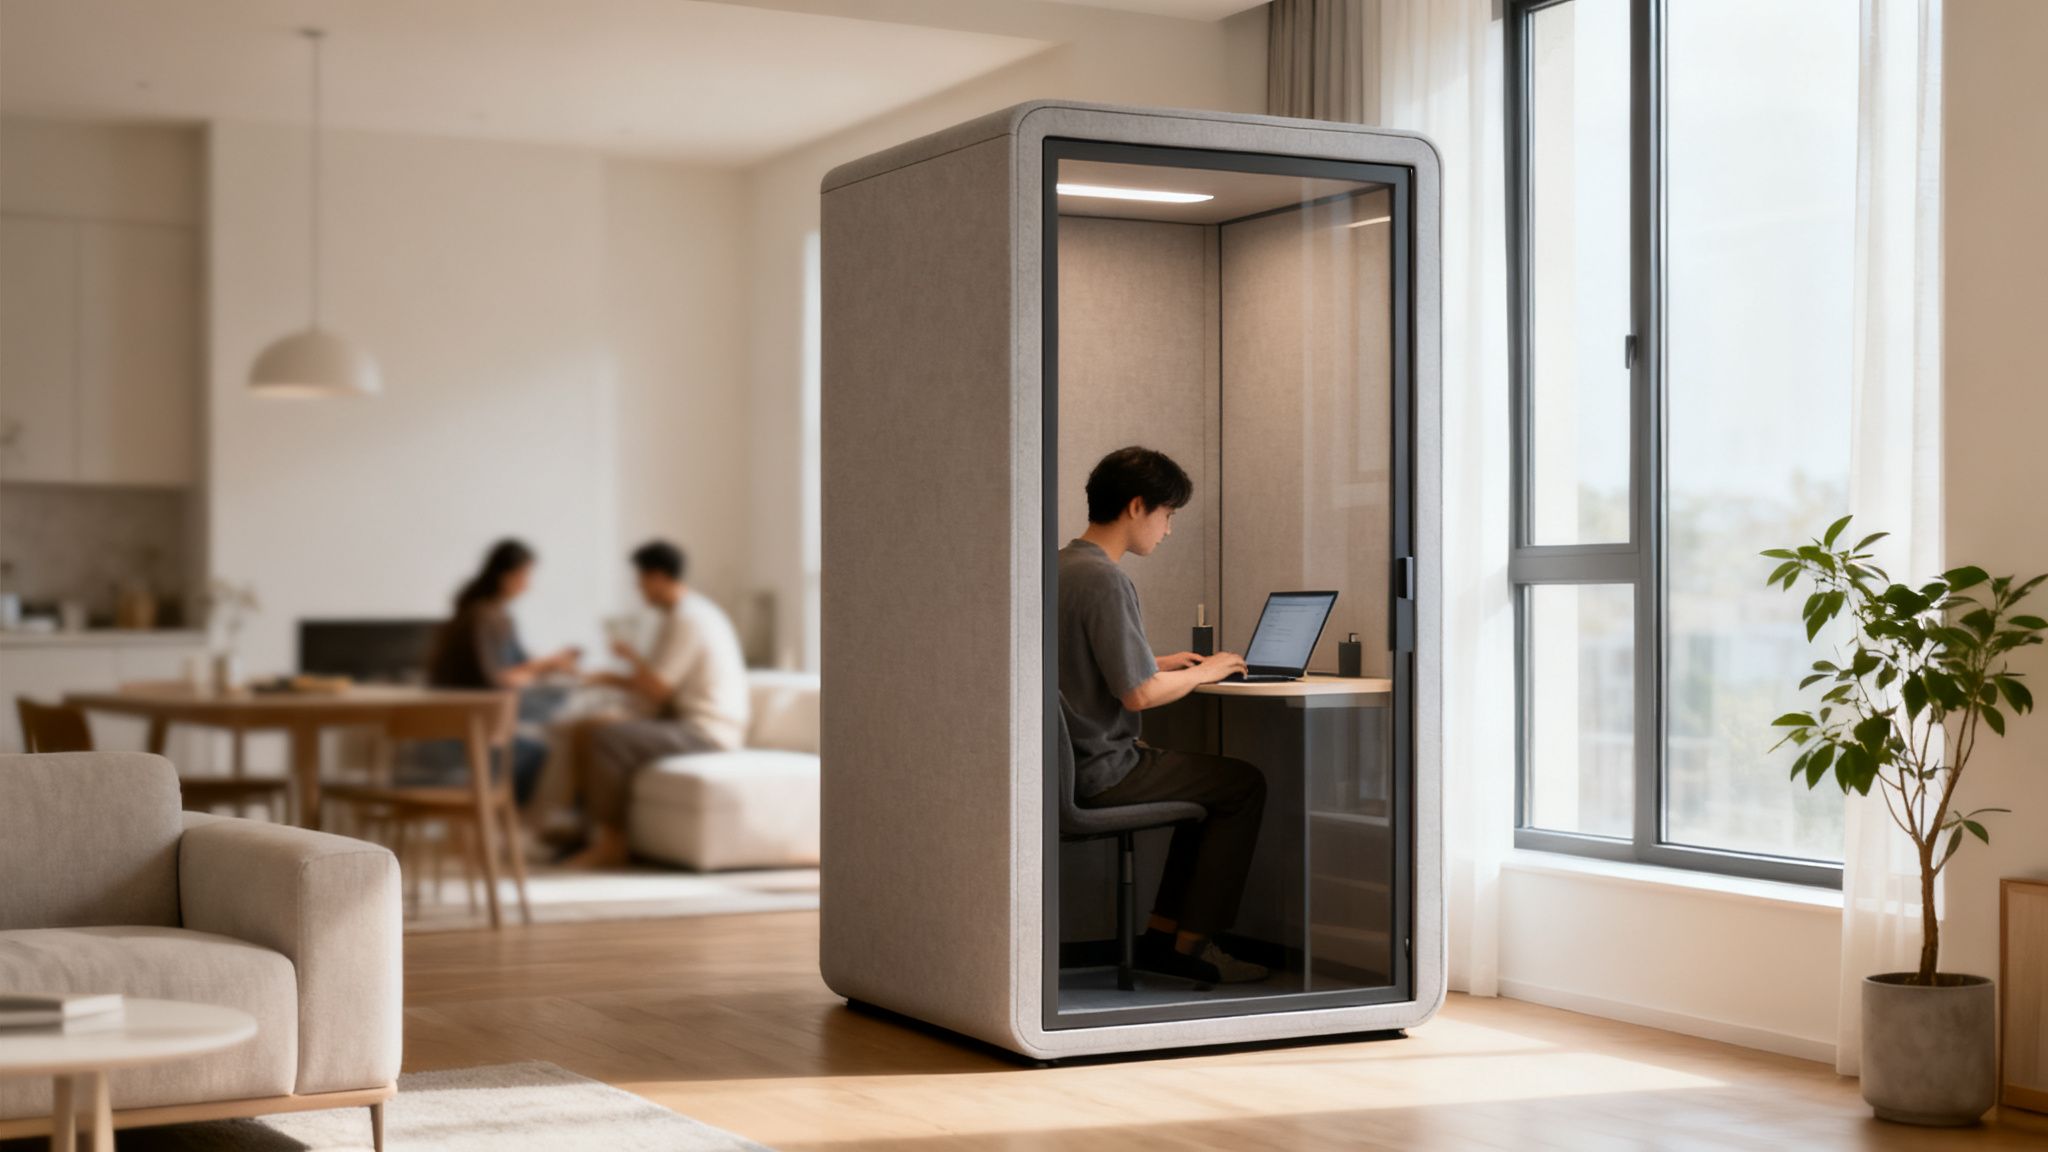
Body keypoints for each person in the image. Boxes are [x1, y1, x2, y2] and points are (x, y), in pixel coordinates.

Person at [1061, 446, 1269, 985]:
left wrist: (1157, 661)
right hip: (1102, 770)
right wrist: (1209, 670)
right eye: (1168, 514)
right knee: (1241, 784)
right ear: (1137, 506)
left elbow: (1084, 666)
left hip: (1065, 766)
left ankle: (1165, 939)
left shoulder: (1058, 568)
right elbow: (1139, 696)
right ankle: (1191, 946)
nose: (1169, 530)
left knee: (1208, 787)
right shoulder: (1105, 578)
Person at [562, 540, 750, 869]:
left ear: (658, 577)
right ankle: (581, 832)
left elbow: (657, 690)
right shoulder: (682, 615)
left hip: (705, 730)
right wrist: (628, 667)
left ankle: (612, 844)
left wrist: (611, 675)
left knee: (607, 739)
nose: (639, 589)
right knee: (587, 727)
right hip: (685, 722)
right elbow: (660, 686)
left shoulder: (689, 618)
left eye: (641, 580)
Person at [419, 539, 579, 806]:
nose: (529, 584)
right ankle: (510, 818)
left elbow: (519, 667)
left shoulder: (499, 616)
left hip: (488, 714)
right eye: (526, 575)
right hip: (470, 721)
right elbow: (492, 680)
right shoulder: (481, 618)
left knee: (564, 718)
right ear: (507, 576)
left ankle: (516, 819)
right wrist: (542, 667)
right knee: (548, 740)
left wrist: (549, 664)